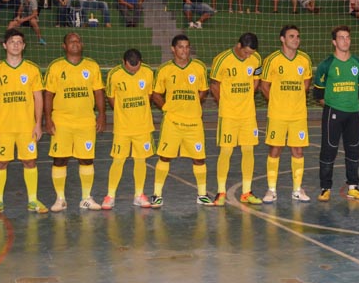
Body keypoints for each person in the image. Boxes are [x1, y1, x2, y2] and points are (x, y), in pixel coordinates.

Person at [0, 29, 47, 215]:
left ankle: (33, 200)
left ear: (24, 46)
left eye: (19, 42)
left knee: (30, 161)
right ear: (5, 45)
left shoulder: (32, 69)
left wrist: (38, 123)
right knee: (0, 163)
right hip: (2, 127)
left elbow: (38, 98)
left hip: (26, 127)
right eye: (12, 42)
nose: (16, 45)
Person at [43, 33, 106, 212]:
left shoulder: (92, 66)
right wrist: (48, 119)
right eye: (71, 41)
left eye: (78, 41)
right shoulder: (56, 67)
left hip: (86, 121)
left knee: (86, 159)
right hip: (61, 121)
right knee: (60, 159)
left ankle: (86, 198)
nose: (75, 43)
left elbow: (98, 92)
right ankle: (60, 199)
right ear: (64, 46)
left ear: (82, 44)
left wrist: (102, 115)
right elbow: (48, 94)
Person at [151, 35, 211, 207]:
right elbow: (156, 93)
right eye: (180, 47)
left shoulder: (199, 67)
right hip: (172, 122)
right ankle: (156, 194)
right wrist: (166, 107)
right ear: (173, 49)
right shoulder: (164, 69)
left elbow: (203, 90)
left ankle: (202, 195)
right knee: (164, 157)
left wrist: (194, 103)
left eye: (187, 47)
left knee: (199, 159)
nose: (184, 50)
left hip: (194, 122)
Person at [313, 26, 359, 201]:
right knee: (329, 150)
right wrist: (334, 105)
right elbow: (318, 94)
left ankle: (353, 187)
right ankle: (325, 188)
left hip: (354, 113)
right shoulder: (326, 65)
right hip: (333, 112)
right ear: (334, 42)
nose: (345, 40)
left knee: (354, 150)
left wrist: (349, 104)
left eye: (348, 37)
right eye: (341, 37)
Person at [260, 26, 313, 203]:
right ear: (282, 39)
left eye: (297, 36)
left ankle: (297, 189)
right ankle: (271, 190)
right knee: (275, 149)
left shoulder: (304, 59)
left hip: (298, 115)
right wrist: (277, 102)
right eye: (291, 36)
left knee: (298, 150)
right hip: (278, 115)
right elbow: (264, 86)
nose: (296, 39)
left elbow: (306, 82)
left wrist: (295, 99)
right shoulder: (272, 60)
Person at [210, 34, 263, 206]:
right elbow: (214, 84)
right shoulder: (222, 59)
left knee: (248, 150)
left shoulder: (256, 59)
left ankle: (246, 192)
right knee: (226, 151)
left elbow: (257, 79)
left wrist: (248, 97)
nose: (248, 56)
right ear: (238, 45)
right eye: (246, 52)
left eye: (251, 53)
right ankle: (221, 192)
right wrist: (225, 104)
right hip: (229, 115)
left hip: (248, 115)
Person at [103, 48, 155, 209]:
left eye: (137, 68)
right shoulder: (114, 74)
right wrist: (122, 113)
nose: (134, 70)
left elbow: (149, 95)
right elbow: (110, 97)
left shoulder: (148, 72)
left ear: (141, 62)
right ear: (123, 62)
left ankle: (139, 195)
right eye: (131, 68)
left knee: (141, 160)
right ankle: (110, 196)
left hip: (143, 126)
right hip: (122, 128)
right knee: (118, 160)